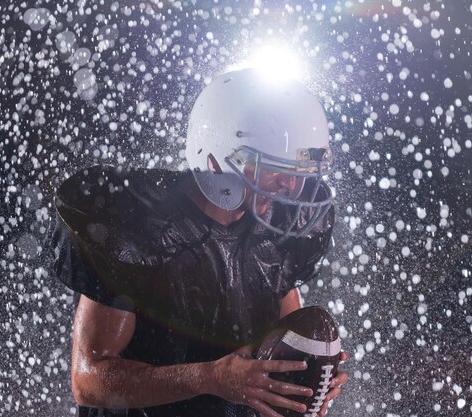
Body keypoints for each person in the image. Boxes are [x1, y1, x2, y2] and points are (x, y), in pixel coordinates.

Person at [52, 68, 348, 417]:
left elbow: (285, 342)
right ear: (219, 157)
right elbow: (89, 381)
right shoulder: (140, 223)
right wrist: (209, 378)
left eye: (296, 175)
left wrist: (305, 376)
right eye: (275, 170)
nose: (290, 189)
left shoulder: (276, 232)